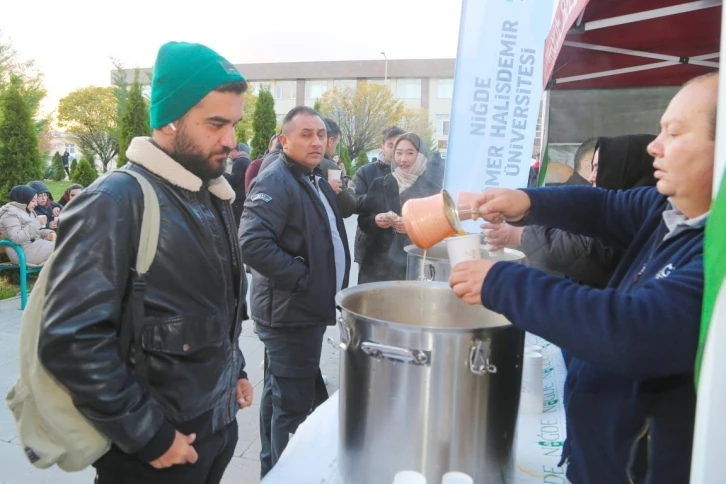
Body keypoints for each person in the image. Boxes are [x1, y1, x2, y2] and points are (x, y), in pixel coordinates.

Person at [449, 72, 718, 484]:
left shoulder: (716, 253)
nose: (653, 146)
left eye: (674, 133)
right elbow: (604, 207)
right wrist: (528, 201)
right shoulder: (671, 212)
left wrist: (502, 282)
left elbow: (633, 331)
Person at [37, 41, 254, 484]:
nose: (231, 141)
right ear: (170, 121)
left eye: (234, 124)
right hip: (151, 456)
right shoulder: (115, 201)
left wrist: (235, 372)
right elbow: (70, 339)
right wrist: (148, 436)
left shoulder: (211, 194)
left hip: (211, 435)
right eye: (216, 124)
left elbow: (209, 309)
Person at [239, 106, 351, 477]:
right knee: (293, 406)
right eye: (306, 134)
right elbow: (252, 244)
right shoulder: (276, 179)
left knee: (278, 395)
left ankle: (272, 471)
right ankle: (288, 473)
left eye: (321, 134)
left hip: (300, 310)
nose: (316, 141)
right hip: (290, 313)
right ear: (284, 140)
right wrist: (305, 279)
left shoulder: (310, 176)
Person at [484, 134, 656, 287]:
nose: (591, 177)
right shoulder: (632, 205)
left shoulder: (642, 212)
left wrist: (520, 233)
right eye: (593, 167)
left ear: (621, 169)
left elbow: (588, 252)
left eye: (598, 168)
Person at [358, 132, 442, 283]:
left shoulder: (432, 190)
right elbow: (364, 220)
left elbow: (438, 228)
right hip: (377, 267)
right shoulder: (380, 183)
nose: (403, 159)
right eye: (399, 153)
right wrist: (375, 220)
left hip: (414, 266)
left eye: (410, 153)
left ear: (421, 155)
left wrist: (412, 226)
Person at [352, 126, 405, 280]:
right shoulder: (366, 171)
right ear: (382, 147)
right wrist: (376, 208)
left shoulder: (410, 173)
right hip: (370, 242)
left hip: (402, 248)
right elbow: (355, 202)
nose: (395, 151)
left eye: (399, 146)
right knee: (368, 294)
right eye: (390, 145)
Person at [0, 186, 55, 266]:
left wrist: (47, 233)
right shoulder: (10, 214)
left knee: (66, 247)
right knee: (63, 248)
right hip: (22, 252)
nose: (36, 204)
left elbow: (31, 233)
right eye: (33, 201)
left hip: (33, 247)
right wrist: (37, 222)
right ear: (23, 200)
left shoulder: (27, 211)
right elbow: (17, 238)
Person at [224, 142, 251, 227]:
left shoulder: (239, 161)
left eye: (229, 153)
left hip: (239, 198)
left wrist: (222, 174)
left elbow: (234, 179)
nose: (228, 156)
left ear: (234, 151)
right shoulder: (245, 159)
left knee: (237, 223)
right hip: (244, 195)